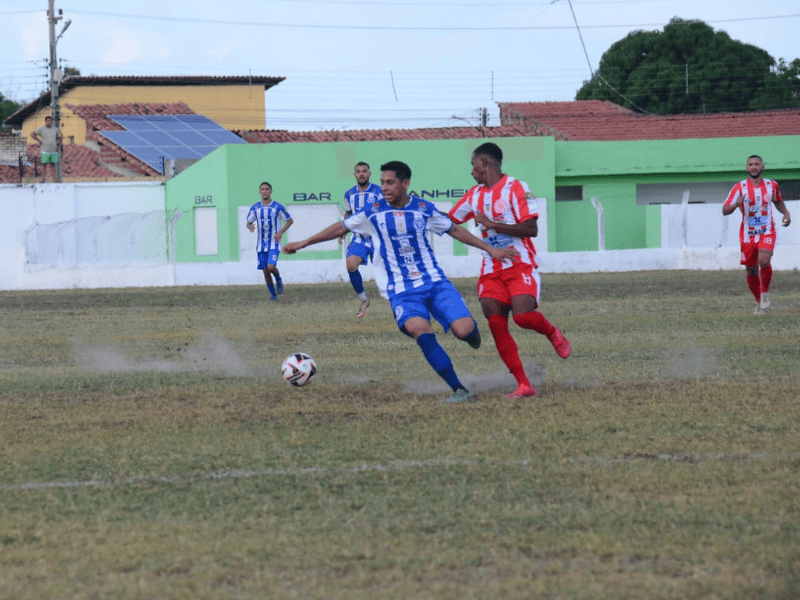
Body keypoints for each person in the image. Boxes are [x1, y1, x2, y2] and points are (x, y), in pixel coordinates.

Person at [284, 160, 519, 403]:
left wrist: (490, 249)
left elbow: (455, 230)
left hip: (435, 283)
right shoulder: (373, 211)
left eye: (390, 182)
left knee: (465, 331)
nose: (384, 187)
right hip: (402, 291)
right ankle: (459, 389)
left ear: (405, 183)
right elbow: (340, 228)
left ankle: (471, 335)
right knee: (420, 330)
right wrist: (303, 243)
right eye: (383, 182)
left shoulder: (423, 209)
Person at [449, 142, 571, 400]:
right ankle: (524, 384)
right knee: (496, 322)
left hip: (519, 264)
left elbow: (531, 229)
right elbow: (449, 220)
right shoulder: (474, 195)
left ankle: (552, 332)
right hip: (490, 270)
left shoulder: (516, 188)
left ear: (484, 162)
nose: (471, 171)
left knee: (523, 316)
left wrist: (493, 224)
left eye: (473, 165)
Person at [722, 155, 791, 314]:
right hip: (748, 235)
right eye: (751, 164)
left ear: (762, 167)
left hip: (767, 230)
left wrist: (786, 213)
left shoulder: (772, 185)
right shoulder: (739, 187)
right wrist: (736, 204)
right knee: (751, 270)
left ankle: (765, 294)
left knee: (764, 260)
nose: (754, 167)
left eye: (757, 164)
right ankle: (759, 301)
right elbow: (725, 210)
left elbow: (778, 201)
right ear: (747, 168)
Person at [340, 161, 383, 318]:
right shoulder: (349, 194)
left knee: (390, 271)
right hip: (359, 238)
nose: (361, 174)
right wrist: (342, 231)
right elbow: (348, 213)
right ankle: (364, 300)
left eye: (364, 171)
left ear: (369, 174)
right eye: (358, 171)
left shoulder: (379, 192)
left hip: (379, 238)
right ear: (355, 175)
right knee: (351, 265)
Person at [246, 181, 293, 301]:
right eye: (262, 189)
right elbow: (248, 222)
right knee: (265, 270)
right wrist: (250, 227)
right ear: (259, 192)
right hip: (261, 245)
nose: (264, 191)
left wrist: (280, 233)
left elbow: (290, 220)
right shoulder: (255, 207)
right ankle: (273, 295)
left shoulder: (277, 207)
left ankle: (278, 279)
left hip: (274, 243)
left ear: (271, 191)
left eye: (267, 189)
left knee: (271, 267)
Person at [30, 115, 63, 184]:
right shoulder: (41, 129)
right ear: (45, 121)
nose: (49, 122)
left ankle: (55, 180)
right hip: (44, 150)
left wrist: (59, 146)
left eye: (50, 121)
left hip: (53, 150)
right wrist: (39, 141)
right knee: (44, 165)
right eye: (48, 121)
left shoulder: (55, 129)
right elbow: (32, 134)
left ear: (52, 122)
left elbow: (60, 137)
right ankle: (43, 179)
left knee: (53, 165)